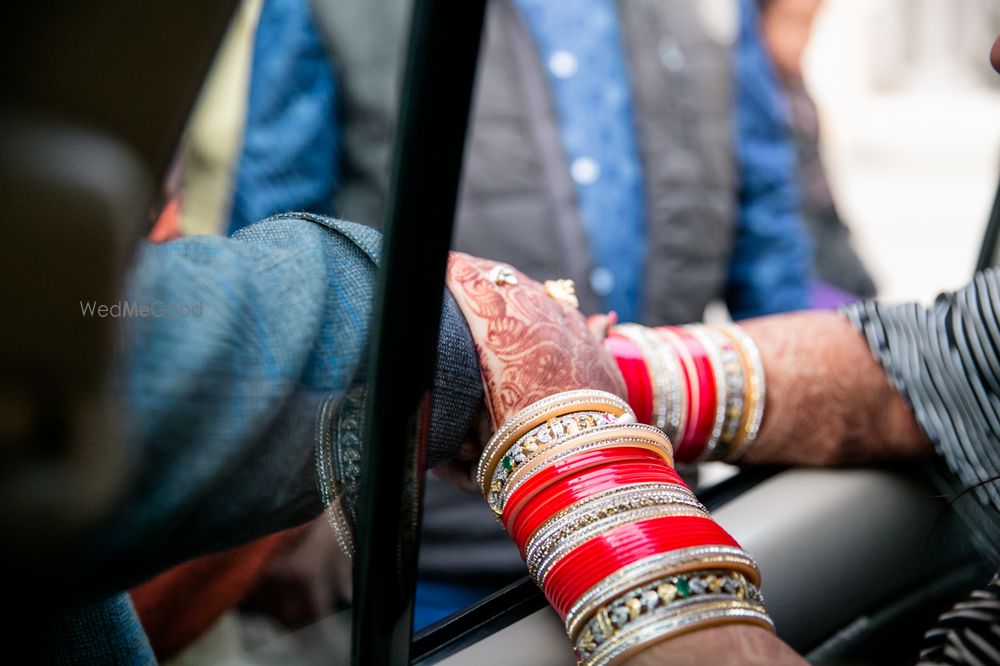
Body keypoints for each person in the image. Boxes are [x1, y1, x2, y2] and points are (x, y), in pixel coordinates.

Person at [227, 0, 818, 628]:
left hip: (653, 533)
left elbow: (771, 252)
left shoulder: (718, 14)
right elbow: (276, 269)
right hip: (427, 571)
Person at [759, 0, 878, 300]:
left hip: (830, 254)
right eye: (791, 25)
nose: (800, 42)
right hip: (798, 265)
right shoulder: (759, 103)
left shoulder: (798, 94)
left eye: (809, 26)